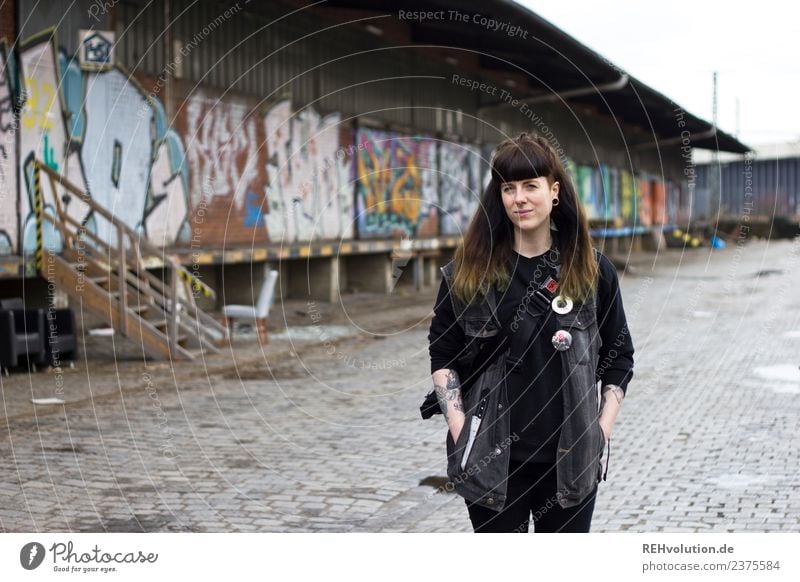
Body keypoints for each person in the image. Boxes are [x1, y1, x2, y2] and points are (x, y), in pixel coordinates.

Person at [427, 133, 634, 533]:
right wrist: (461, 429)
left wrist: (600, 431)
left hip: (569, 463)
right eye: (508, 187)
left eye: (530, 186)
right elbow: (443, 355)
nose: (519, 198)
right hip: (491, 464)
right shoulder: (469, 275)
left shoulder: (591, 272)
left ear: (553, 191)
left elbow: (620, 357)